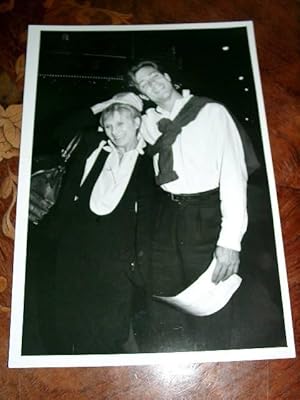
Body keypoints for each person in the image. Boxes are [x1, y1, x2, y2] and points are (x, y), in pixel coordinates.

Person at [126, 60, 285, 352]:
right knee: (173, 294)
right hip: (169, 214)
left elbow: (234, 178)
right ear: (142, 94)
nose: (152, 83)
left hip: (206, 212)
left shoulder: (211, 112)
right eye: (143, 84)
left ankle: (219, 360)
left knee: (213, 296)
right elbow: (129, 140)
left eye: (154, 76)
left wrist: (230, 242)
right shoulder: (149, 123)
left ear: (168, 76)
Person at [22, 92, 155, 355]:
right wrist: (107, 106)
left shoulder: (150, 158)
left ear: (137, 123)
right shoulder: (93, 145)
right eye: (108, 126)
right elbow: (60, 130)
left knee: (110, 326)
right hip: (75, 245)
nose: (114, 132)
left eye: (121, 124)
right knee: (70, 318)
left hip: (117, 255)